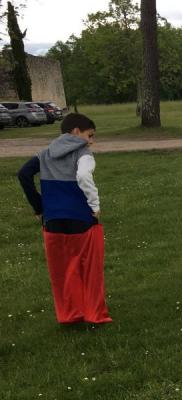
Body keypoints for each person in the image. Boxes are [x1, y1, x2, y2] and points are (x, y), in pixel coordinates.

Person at [17, 113, 112, 324]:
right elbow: (83, 176)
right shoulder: (83, 153)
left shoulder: (45, 154)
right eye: (90, 135)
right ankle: (94, 314)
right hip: (81, 218)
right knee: (89, 268)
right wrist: (95, 204)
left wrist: (39, 206)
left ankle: (70, 314)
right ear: (76, 132)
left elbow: (23, 174)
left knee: (62, 271)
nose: (92, 141)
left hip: (52, 221)